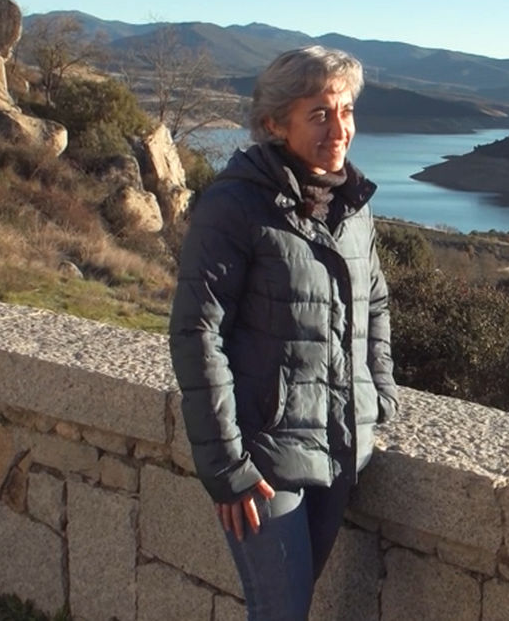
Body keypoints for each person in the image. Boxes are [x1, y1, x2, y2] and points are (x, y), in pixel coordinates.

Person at [169, 45, 397, 621]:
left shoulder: (351, 206)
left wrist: (380, 395)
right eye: (319, 113)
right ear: (275, 123)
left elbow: (375, 302)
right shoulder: (235, 205)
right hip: (264, 459)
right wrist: (227, 468)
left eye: (346, 111)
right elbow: (198, 333)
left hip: (339, 447)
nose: (338, 128)